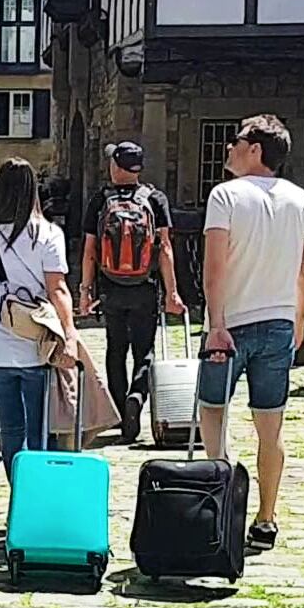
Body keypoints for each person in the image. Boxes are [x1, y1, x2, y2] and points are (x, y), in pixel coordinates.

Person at [197, 115, 304, 551]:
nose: (230, 147)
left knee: (212, 412)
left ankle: (221, 497)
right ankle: (266, 516)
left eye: (237, 141)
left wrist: (215, 325)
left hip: (232, 322)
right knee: (271, 426)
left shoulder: (225, 196)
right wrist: (298, 322)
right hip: (279, 321)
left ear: (255, 149)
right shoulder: (302, 201)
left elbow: (215, 268)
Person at [0, 158, 79, 479]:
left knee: (10, 431)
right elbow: (58, 289)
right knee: (38, 432)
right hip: (35, 350)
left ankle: (18, 498)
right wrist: (70, 334)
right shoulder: (48, 234)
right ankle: (34, 505)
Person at [78, 142, 185, 442]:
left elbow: (89, 250)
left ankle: (118, 407)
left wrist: (85, 291)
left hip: (111, 286)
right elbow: (164, 247)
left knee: (115, 348)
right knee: (144, 351)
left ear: (116, 166)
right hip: (145, 287)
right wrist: (173, 292)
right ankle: (137, 395)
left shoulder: (101, 199)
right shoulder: (154, 198)